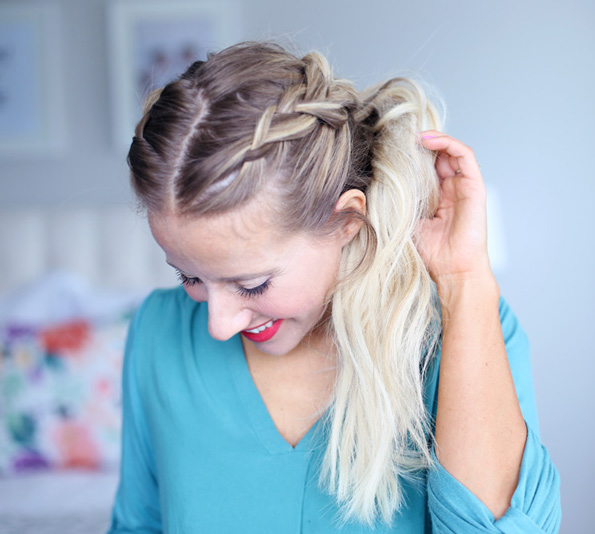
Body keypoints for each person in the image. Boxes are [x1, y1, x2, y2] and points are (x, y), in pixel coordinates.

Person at [107, 41, 561, 534]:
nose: (218, 324)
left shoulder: (456, 331)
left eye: (252, 285)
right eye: (190, 277)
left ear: (346, 222)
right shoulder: (158, 332)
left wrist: (464, 279)